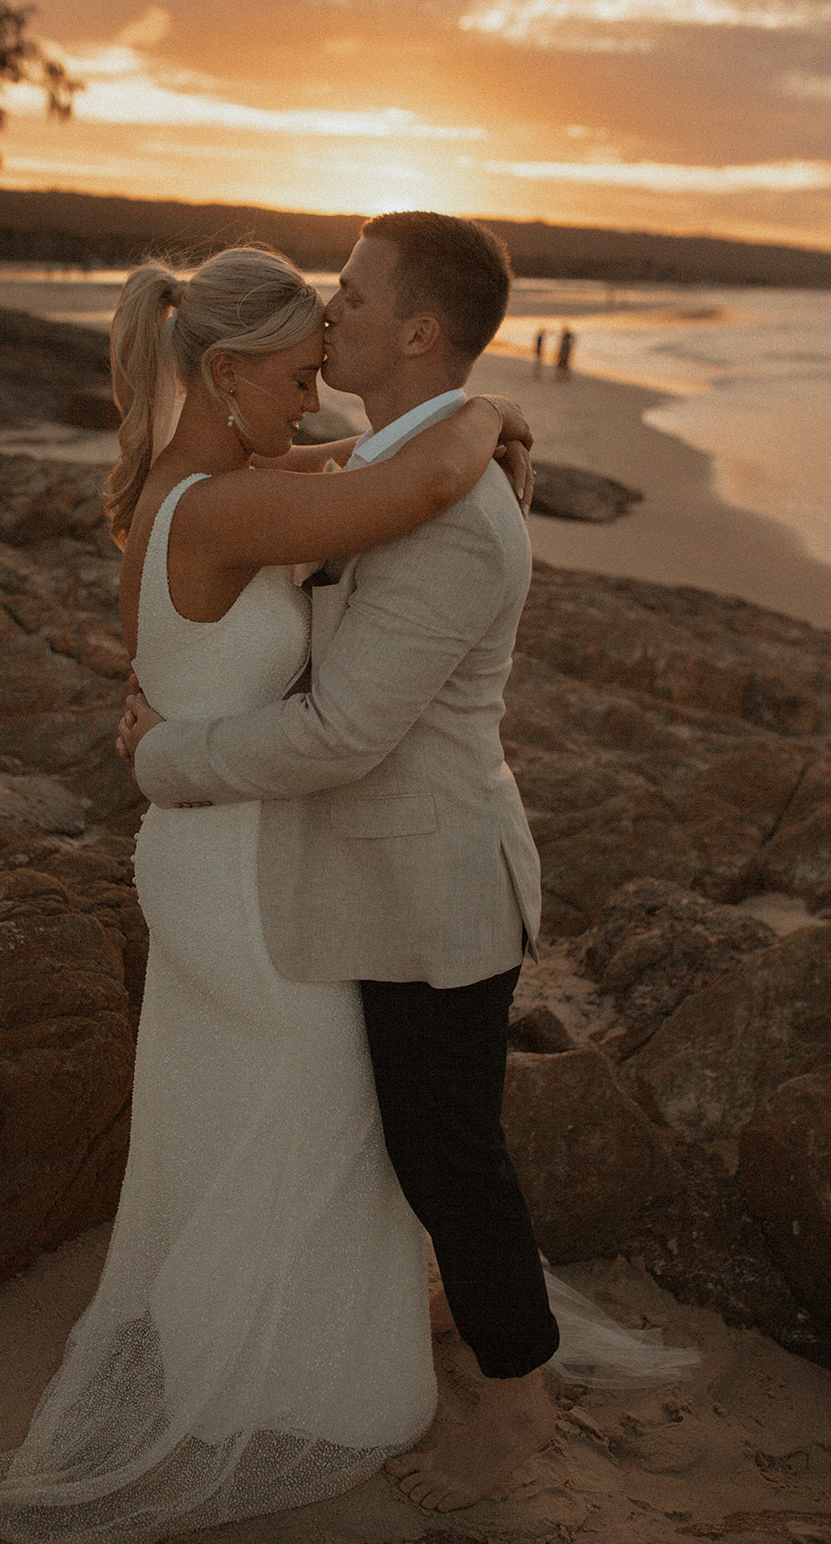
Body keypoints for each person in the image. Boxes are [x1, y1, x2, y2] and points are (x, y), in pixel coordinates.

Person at [0, 242, 537, 1544]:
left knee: (265, 1119)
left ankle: (269, 1330)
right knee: (319, 1116)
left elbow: (370, 464)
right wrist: (484, 409)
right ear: (219, 373)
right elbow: (427, 468)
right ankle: (297, 1371)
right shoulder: (220, 508)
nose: (313, 394)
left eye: (338, 337)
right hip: (234, 866)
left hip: (220, 853)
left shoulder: (216, 479)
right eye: (288, 376)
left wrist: (447, 419)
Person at [120, 213, 697, 1515]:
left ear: (419, 331)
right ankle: (418, 1316)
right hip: (369, 881)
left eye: (355, 292)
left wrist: (170, 755)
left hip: (433, 890)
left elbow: (337, 733)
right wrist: (483, 418)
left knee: (448, 1152)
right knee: (405, 1139)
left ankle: (519, 1399)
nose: (335, 312)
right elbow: (315, 497)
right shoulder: (389, 460)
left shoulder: (450, 512)